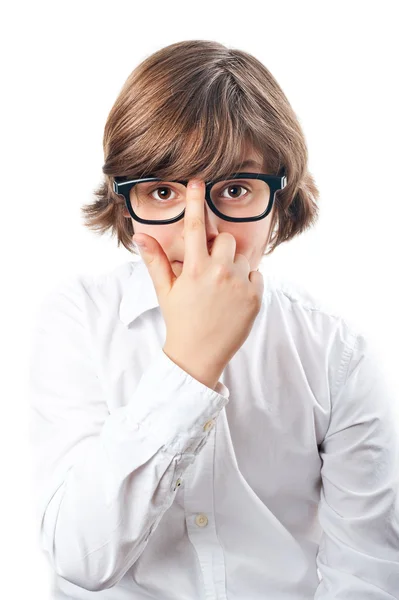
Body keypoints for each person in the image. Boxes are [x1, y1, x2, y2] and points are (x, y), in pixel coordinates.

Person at [28, 39, 399, 599]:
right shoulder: (76, 320)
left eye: (233, 189)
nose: (197, 232)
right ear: (125, 204)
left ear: (280, 197)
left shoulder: (335, 352)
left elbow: (367, 576)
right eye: (161, 191)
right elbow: (81, 558)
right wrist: (190, 365)